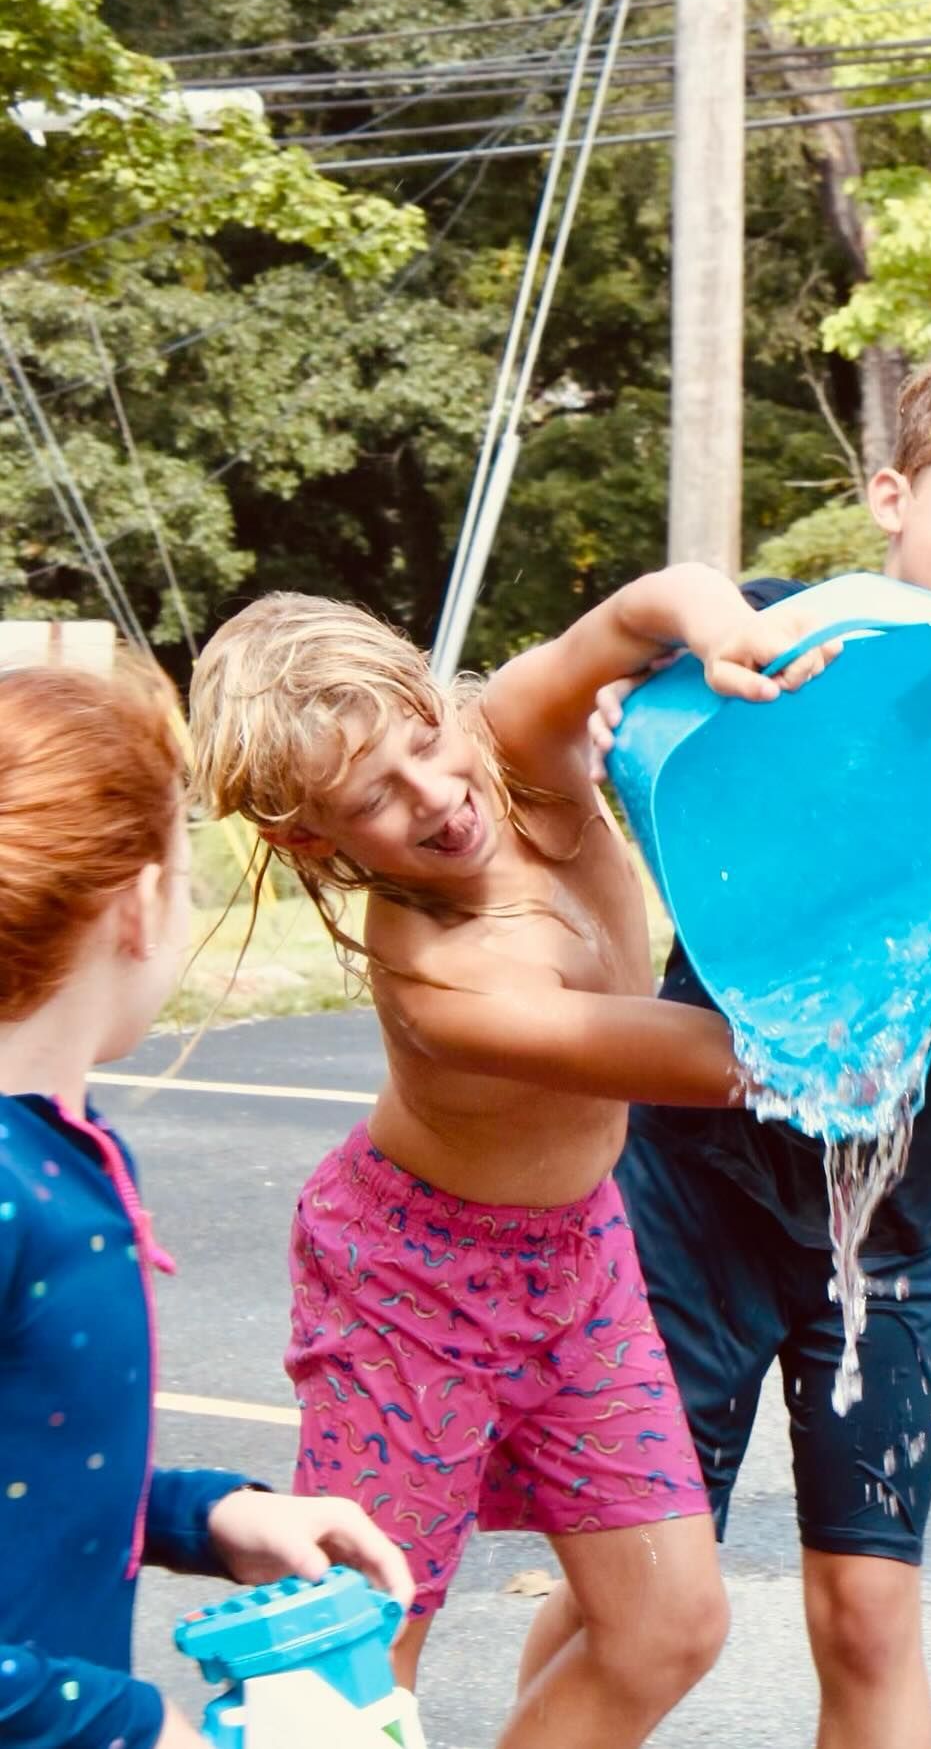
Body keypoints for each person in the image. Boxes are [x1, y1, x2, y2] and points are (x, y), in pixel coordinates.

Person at [187, 566, 841, 1749]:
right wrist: (928, 1007)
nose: (438, 794)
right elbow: (724, 1060)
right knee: (362, 1646)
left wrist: (721, 627)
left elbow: (644, 610)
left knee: (667, 1624)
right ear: (308, 838)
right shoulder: (447, 981)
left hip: (580, 1252)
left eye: (424, 738)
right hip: (408, 1280)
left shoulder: (516, 744)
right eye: (375, 797)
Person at [584, 347, 931, 1749]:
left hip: (884, 1206)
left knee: (873, 1608)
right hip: (691, 1183)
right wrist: (631, 689)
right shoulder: (784, 627)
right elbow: (630, 679)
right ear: (894, 494)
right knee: (645, 1600)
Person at [0, 656, 412, 1749]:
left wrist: (213, 1515)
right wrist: (137, 1730)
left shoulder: (61, 1152)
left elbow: (33, 1475)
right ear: (141, 907)